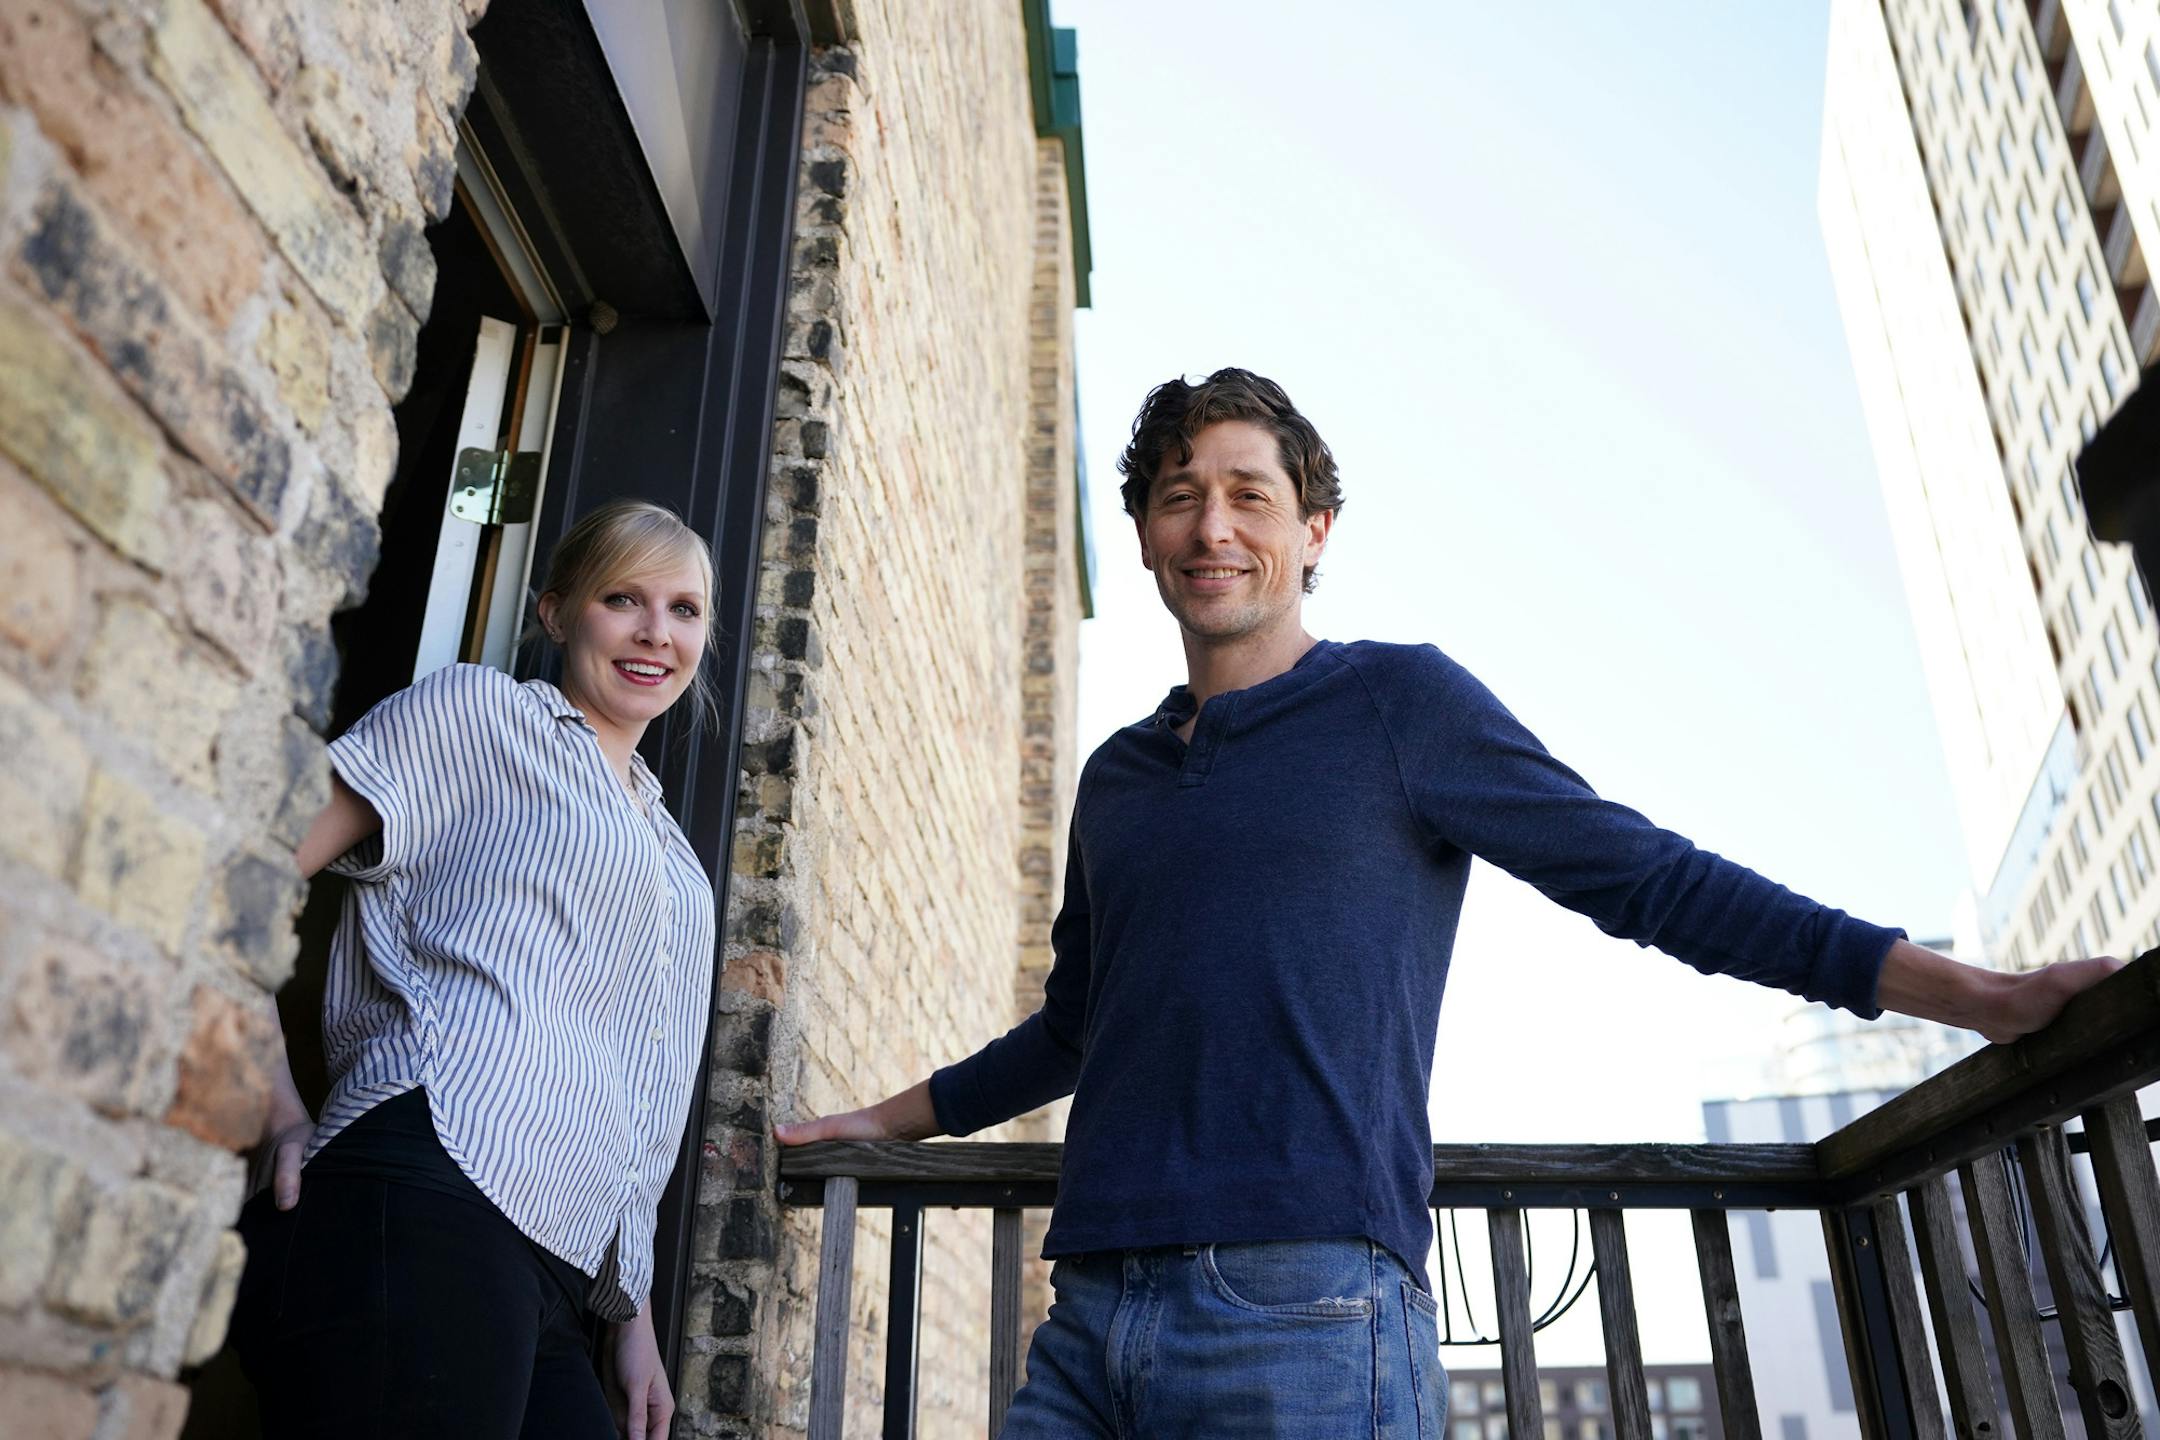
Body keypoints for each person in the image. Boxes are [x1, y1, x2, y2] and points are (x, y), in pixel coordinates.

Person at [775, 369, 2122, 1439]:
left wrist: (1974, 997)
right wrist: (876, 1125)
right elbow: (1074, 1026)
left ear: (1314, 528)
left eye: (1250, 493)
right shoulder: (1118, 777)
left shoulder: (1400, 708)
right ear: (1143, 534)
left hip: (1303, 1313)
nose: (1214, 525)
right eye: (1182, 495)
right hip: (1090, 1314)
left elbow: (1647, 877)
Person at [231, 500, 721, 1440]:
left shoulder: (678, 869)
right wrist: (276, 1105)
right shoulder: (481, 716)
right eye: (623, 599)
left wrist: (633, 1319)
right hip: (424, 1190)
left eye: (685, 609)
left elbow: (632, 1087)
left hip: (559, 1276)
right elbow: (248, 867)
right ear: (556, 612)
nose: (657, 633)